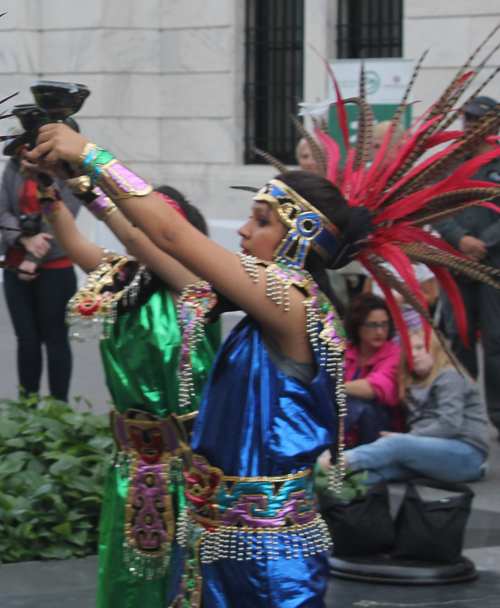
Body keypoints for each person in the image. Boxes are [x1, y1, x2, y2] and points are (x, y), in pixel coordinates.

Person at [19, 158, 221, 608]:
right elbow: (71, 240)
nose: (139, 237)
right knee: (126, 580)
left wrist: (83, 173)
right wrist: (47, 189)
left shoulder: (201, 291)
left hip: (187, 468)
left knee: (184, 580)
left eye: (153, 230)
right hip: (131, 464)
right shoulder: (123, 282)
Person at [434, 95, 500, 435]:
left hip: (493, 265)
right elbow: (435, 204)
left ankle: (498, 417)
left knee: (496, 342)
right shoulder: (450, 162)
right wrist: (459, 240)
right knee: (459, 340)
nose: (471, 127)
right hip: (457, 262)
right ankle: (465, 416)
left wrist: (483, 244)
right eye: (468, 121)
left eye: (479, 121)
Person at [344, 329, 490, 483]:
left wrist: (408, 438)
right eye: (408, 350)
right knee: (376, 472)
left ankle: (333, 464)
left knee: (396, 444)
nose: (413, 354)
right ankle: (331, 483)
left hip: (467, 453)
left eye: (420, 348)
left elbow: (449, 425)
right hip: (434, 451)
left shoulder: (450, 376)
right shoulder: (413, 383)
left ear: (435, 349)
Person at [0, 144, 80, 402]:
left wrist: (34, 256)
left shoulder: (65, 172)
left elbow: (63, 216)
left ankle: (60, 408)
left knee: (55, 339)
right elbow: (2, 211)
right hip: (15, 264)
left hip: (55, 265)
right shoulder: (12, 168)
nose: (25, 162)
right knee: (27, 340)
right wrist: (24, 239)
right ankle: (28, 409)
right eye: (22, 157)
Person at [344, 293, 402, 447]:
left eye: (384, 324)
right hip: (347, 426)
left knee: (359, 405)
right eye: (372, 325)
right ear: (357, 326)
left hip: (383, 428)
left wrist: (334, 387)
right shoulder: (345, 351)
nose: (379, 331)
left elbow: (378, 388)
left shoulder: (395, 353)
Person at [363, 261, 439, 340]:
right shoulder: (375, 258)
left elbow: (431, 298)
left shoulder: (419, 264)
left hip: (409, 322)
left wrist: (404, 298)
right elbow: (366, 296)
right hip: (379, 320)